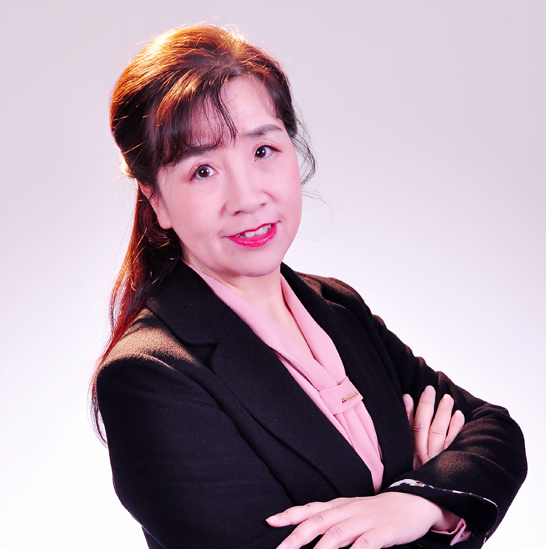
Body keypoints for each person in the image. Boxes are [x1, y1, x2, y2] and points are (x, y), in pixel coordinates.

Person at [91, 24, 526, 549]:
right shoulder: (149, 376)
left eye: (263, 151)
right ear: (156, 199)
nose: (247, 198)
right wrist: (441, 502)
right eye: (203, 170)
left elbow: (494, 432)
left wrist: (412, 503)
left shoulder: (337, 307)